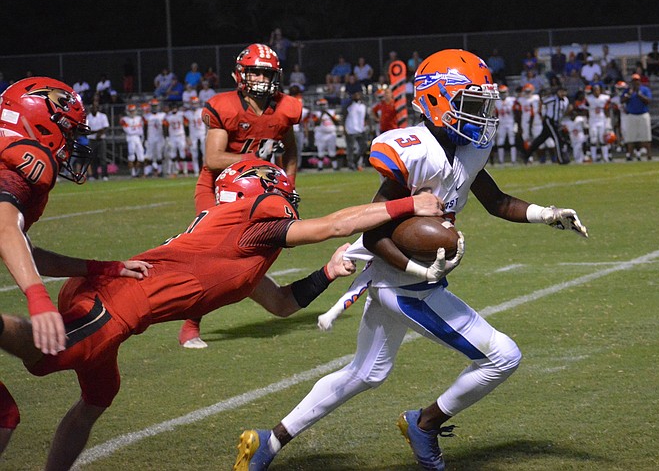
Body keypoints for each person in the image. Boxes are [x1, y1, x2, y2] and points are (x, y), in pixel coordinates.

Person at [234, 49, 588, 471]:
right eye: (471, 104)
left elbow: (495, 201)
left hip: (403, 281)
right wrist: (418, 269)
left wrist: (547, 214)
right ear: (437, 101)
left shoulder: (468, 147)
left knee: (365, 374)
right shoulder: (413, 149)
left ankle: (269, 442)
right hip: (403, 285)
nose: (482, 114)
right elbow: (374, 230)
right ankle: (424, 424)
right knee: (502, 357)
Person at [0, 158, 445, 471]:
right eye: (280, 190)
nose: (287, 197)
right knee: (52, 356)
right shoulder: (251, 221)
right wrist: (409, 205)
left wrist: (327, 273)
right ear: (263, 191)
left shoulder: (239, 248)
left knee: (99, 395)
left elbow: (281, 304)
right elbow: (334, 225)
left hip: (107, 294)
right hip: (115, 302)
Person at [0, 77, 104, 457]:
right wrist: (39, 299)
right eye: (68, 130)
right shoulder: (22, 163)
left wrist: (93, 267)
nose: (73, 142)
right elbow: (4, 229)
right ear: (40, 122)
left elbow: (22, 246)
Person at [181, 43, 302, 348]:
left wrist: (289, 184)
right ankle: (190, 321)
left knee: (256, 250)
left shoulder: (285, 108)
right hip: (218, 187)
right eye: (257, 71)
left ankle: (275, 298)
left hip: (259, 191)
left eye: (267, 72)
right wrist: (259, 163)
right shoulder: (226, 106)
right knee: (210, 252)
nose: (262, 78)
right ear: (241, 75)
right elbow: (213, 158)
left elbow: (290, 150)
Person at [524, 86, 571, 164]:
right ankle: (561, 159)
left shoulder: (565, 100)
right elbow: (542, 101)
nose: (563, 93)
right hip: (550, 121)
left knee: (540, 140)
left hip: (556, 122)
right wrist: (541, 113)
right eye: (561, 91)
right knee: (558, 139)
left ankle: (526, 154)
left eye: (564, 91)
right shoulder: (553, 98)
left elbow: (562, 111)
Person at [622, 73, 653, 161]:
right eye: (634, 81)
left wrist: (639, 94)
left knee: (646, 136)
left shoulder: (645, 89)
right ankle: (630, 155)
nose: (636, 83)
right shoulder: (628, 90)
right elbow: (622, 100)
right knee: (631, 137)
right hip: (632, 115)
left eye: (637, 80)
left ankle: (649, 155)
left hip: (643, 114)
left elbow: (648, 101)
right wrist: (629, 94)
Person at [585, 84, 611, 163]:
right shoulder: (589, 99)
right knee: (593, 139)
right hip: (593, 120)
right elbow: (585, 108)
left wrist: (608, 120)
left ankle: (605, 157)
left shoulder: (605, 98)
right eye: (595, 90)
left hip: (602, 120)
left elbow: (608, 108)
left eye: (598, 90)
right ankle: (594, 157)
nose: (596, 92)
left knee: (602, 139)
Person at [312, 98, 339, 171]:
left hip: (331, 134)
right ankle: (320, 167)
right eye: (321, 105)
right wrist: (321, 115)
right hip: (321, 134)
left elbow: (337, 122)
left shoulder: (332, 112)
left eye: (323, 105)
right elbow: (316, 123)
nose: (322, 106)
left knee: (332, 151)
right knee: (320, 151)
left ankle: (335, 166)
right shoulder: (316, 113)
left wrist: (328, 114)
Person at [343, 89, 368, 171]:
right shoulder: (348, 105)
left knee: (364, 146)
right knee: (350, 148)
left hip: (361, 129)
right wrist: (344, 128)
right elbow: (344, 117)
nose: (357, 96)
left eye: (358, 94)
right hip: (350, 129)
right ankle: (351, 164)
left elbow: (366, 117)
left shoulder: (363, 105)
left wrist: (367, 126)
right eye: (355, 94)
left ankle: (355, 160)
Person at [495, 84, 519, 164]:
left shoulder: (512, 100)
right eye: (501, 92)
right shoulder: (496, 101)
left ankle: (513, 160)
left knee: (512, 142)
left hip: (510, 122)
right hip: (501, 123)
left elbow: (517, 111)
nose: (503, 94)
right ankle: (501, 160)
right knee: (500, 142)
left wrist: (516, 122)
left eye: (504, 92)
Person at [85, 101, 109, 180]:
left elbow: (105, 127)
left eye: (95, 108)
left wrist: (96, 132)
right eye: (92, 108)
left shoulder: (103, 116)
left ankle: (104, 175)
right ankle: (94, 175)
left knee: (103, 158)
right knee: (93, 158)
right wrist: (98, 131)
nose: (94, 109)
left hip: (101, 139)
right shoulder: (88, 117)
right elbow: (87, 130)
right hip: (92, 140)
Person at [142, 99, 167, 177]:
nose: (154, 108)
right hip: (150, 137)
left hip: (160, 137)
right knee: (149, 155)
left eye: (155, 106)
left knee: (159, 155)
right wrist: (145, 139)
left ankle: (160, 171)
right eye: (153, 106)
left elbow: (165, 127)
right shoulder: (146, 116)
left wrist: (166, 137)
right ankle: (148, 172)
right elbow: (145, 128)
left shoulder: (162, 115)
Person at [119, 104, 145, 178]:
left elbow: (141, 131)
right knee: (131, 156)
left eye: (133, 111)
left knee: (141, 157)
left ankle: (137, 172)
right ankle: (133, 173)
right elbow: (128, 131)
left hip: (138, 138)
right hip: (130, 138)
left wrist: (136, 131)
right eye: (131, 111)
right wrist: (136, 131)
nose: (132, 112)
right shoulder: (124, 119)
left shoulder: (139, 118)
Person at [164, 102, 189, 177]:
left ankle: (185, 171)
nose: (174, 109)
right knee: (173, 154)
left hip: (181, 135)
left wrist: (187, 136)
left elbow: (186, 125)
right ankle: (174, 171)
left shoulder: (181, 115)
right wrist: (167, 138)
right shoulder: (168, 117)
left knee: (182, 154)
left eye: (175, 108)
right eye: (173, 108)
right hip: (172, 136)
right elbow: (165, 127)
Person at [186, 96, 206, 176]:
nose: (195, 105)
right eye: (193, 103)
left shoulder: (202, 111)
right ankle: (196, 171)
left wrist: (208, 134)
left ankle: (205, 171)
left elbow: (208, 124)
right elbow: (186, 127)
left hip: (202, 133)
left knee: (205, 153)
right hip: (193, 134)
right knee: (194, 154)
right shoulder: (187, 114)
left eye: (196, 103)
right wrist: (187, 138)